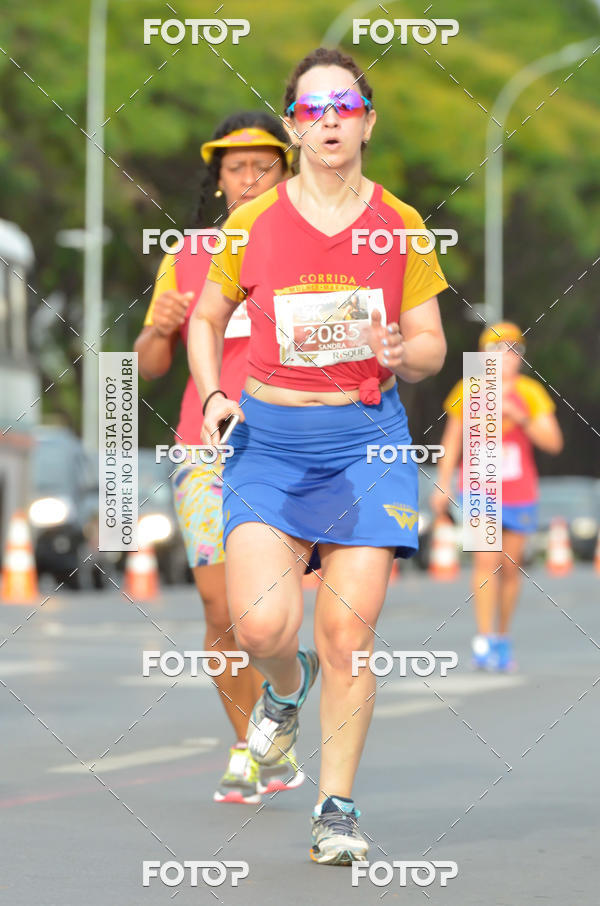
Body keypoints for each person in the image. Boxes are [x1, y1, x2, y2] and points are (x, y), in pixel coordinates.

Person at [188, 47, 448, 864]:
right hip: (269, 441)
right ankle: (284, 689)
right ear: (296, 126)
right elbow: (205, 319)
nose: (329, 119)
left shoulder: (401, 223)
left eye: (344, 106)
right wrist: (217, 397)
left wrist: (398, 350)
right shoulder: (252, 223)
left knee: (348, 635)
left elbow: (436, 348)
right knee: (262, 622)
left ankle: (336, 806)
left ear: (367, 120)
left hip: (367, 440)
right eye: (311, 109)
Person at [133, 111, 303, 804]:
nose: (250, 177)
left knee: (265, 609)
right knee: (218, 606)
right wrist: (163, 329)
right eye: (236, 167)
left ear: (285, 173)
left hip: (287, 442)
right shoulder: (192, 251)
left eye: (263, 165)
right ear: (220, 179)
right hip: (204, 444)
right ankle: (247, 747)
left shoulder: (307, 243)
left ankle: (281, 708)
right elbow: (147, 364)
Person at [431, 322, 563, 670]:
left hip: (520, 490)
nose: (507, 357)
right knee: (485, 561)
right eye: (498, 349)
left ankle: (502, 637)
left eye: (514, 350)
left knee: (509, 567)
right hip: (480, 486)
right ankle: (485, 640)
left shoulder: (531, 392)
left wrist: (520, 416)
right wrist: (443, 483)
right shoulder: (469, 387)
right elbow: (452, 439)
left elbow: (553, 442)